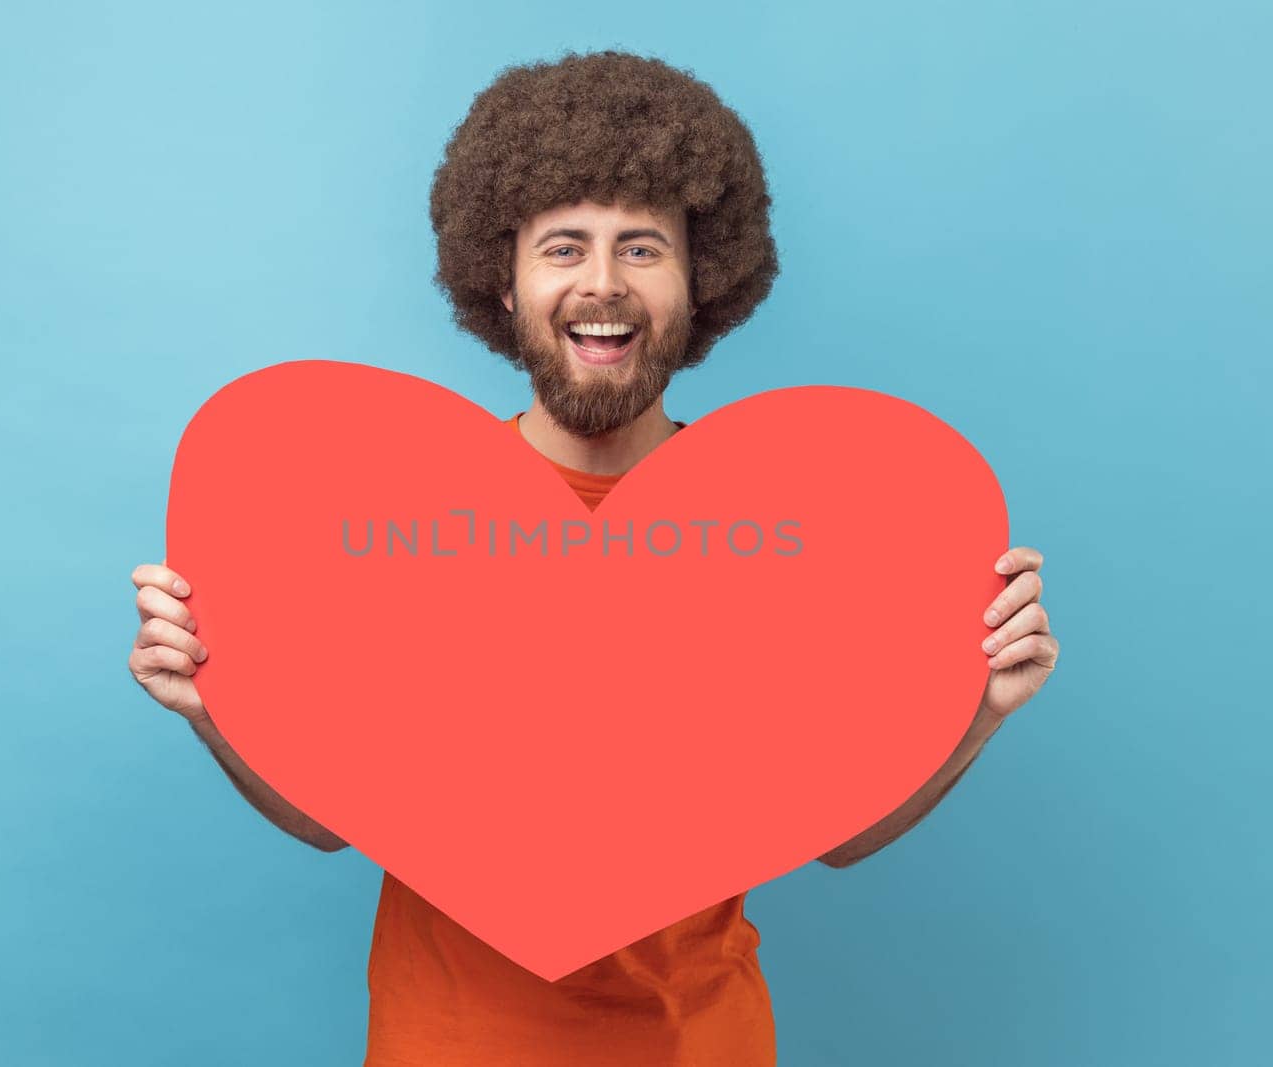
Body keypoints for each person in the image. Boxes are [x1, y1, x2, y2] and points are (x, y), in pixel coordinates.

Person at [128, 49, 1061, 1066]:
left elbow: (835, 830)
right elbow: (326, 818)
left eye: (643, 248)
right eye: (564, 246)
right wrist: (213, 707)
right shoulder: (394, 535)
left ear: (702, 278)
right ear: (505, 275)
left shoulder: (791, 545)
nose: (602, 285)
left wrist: (977, 712)